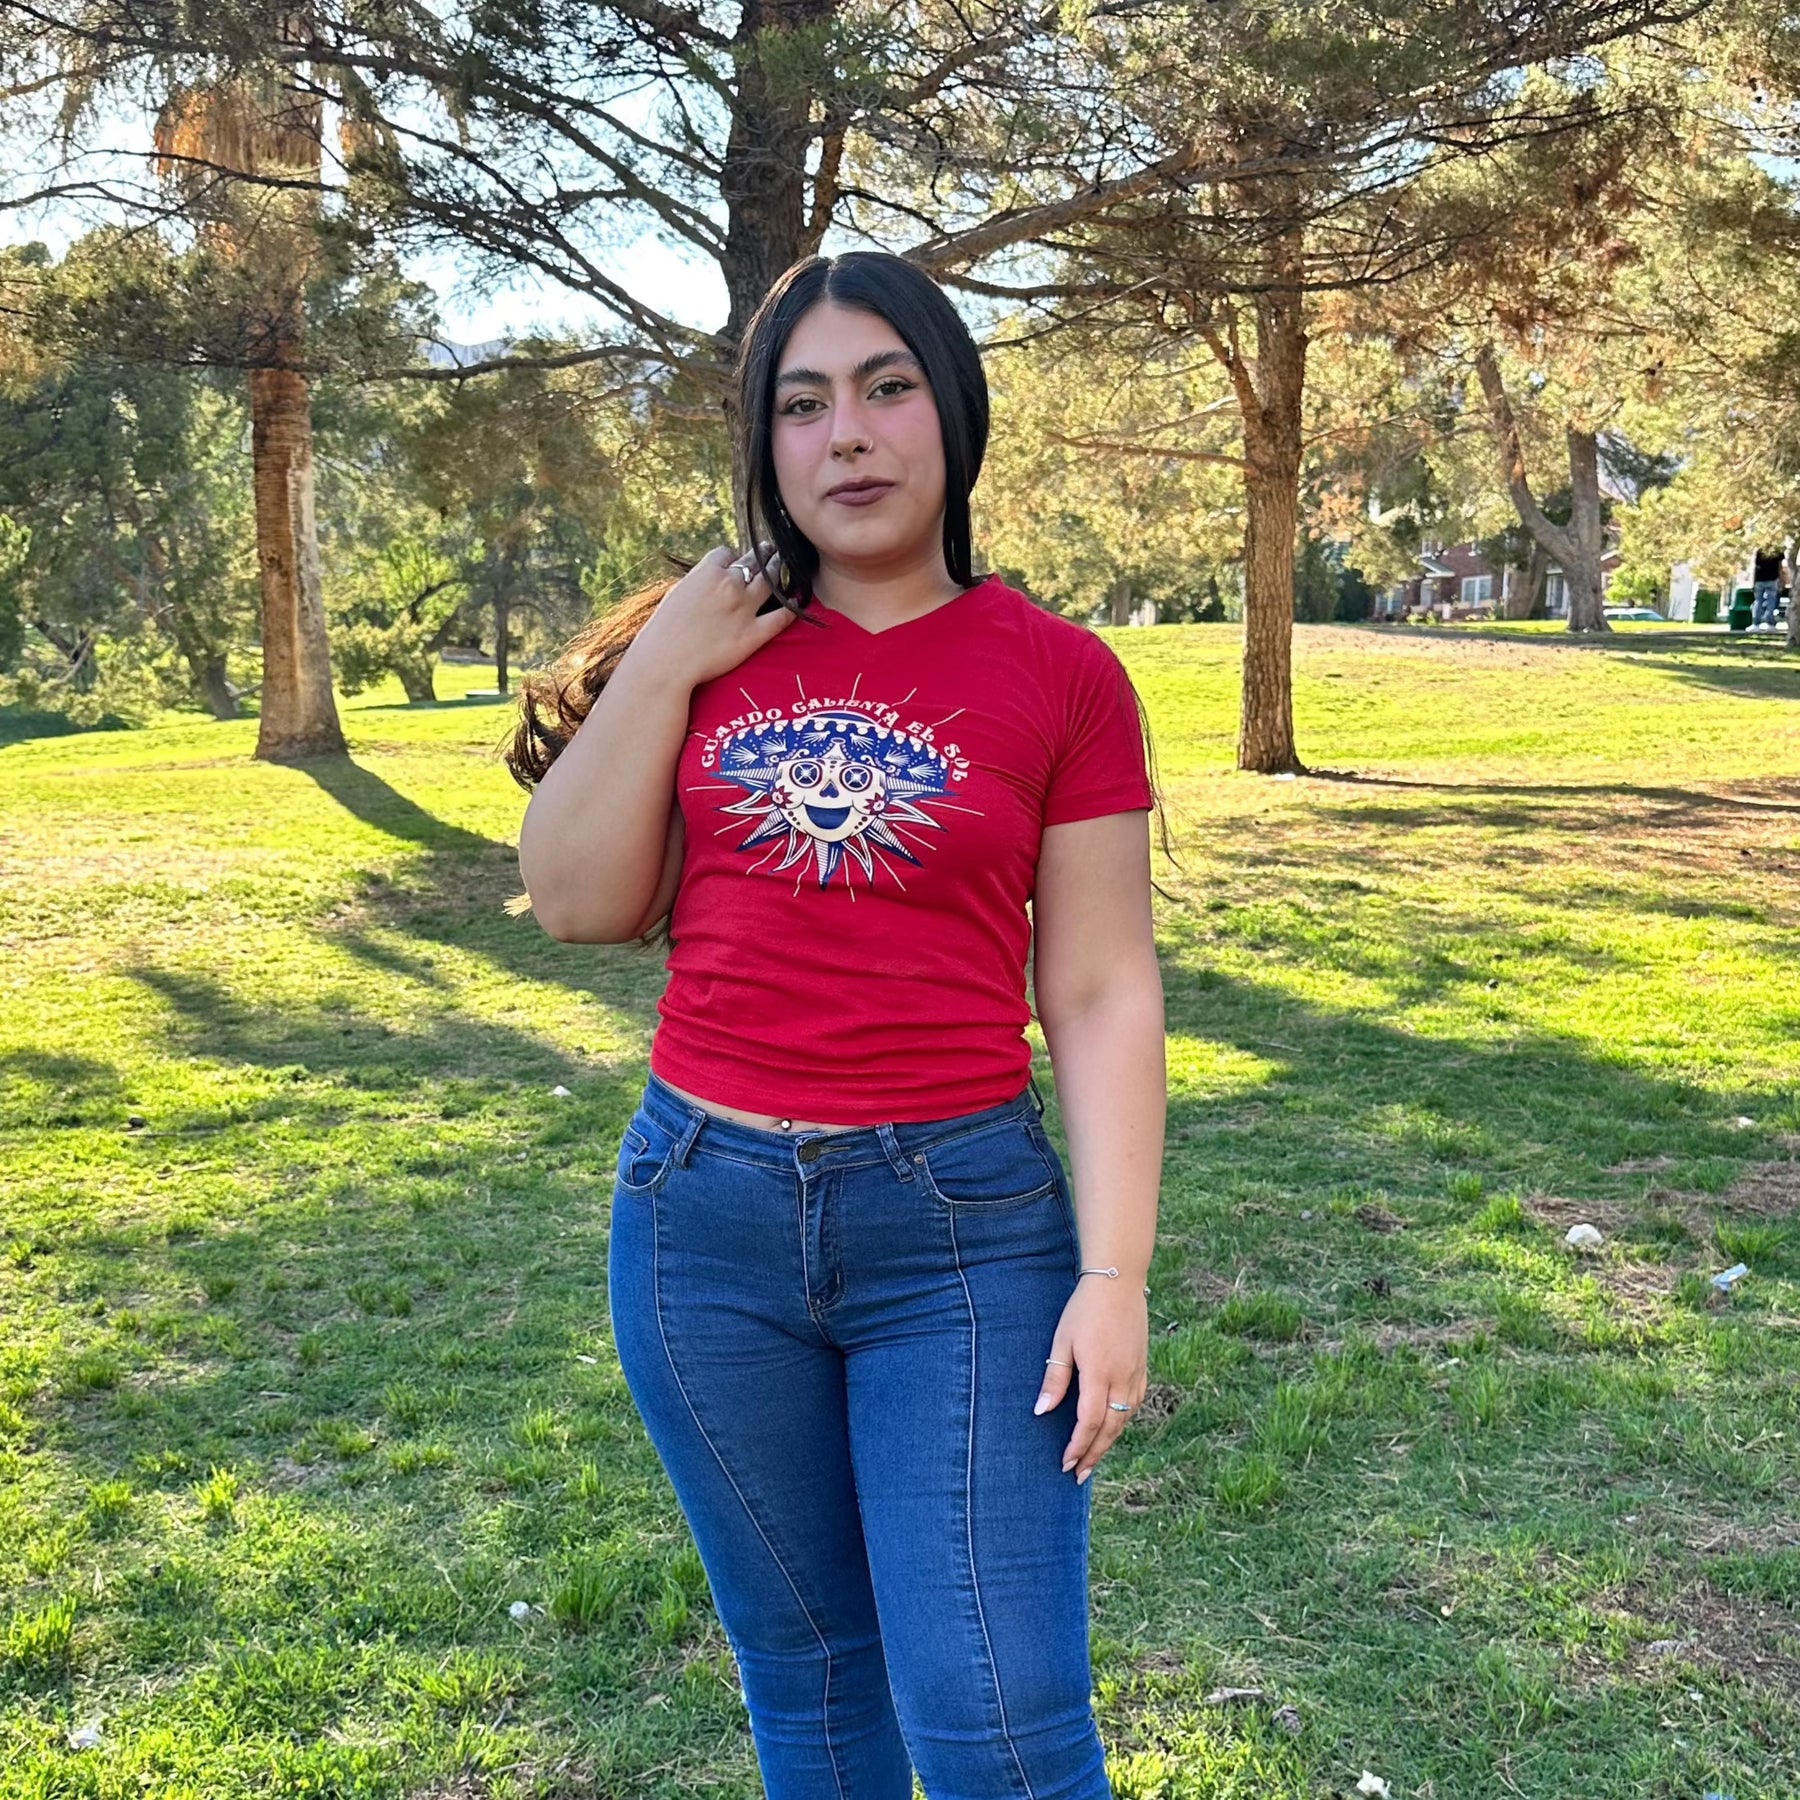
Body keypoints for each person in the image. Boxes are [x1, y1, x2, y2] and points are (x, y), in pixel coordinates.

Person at [506, 250, 1168, 1799]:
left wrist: (1115, 1273)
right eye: (802, 406)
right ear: (765, 444)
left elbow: (1098, 987)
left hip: (964, 1237)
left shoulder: (1064, 676)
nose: (847, 435)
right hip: (703, 1227)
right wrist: (673, 657)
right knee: (809, 1689)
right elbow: (575, 900)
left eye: (886, 389)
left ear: (954, 413)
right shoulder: (708, 648)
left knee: (1000, 1723)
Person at [1751, 545, 1785, 628]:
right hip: (1772, 579)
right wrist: (1782, 580)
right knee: (1771, 602)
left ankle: (1756, 623)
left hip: (1760, 579)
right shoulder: (1777, 550)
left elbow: (1755, 567)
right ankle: (1770, 623)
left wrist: (1753, 582)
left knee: (1758, 601)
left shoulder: (1760, 550)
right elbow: (1780, 567)